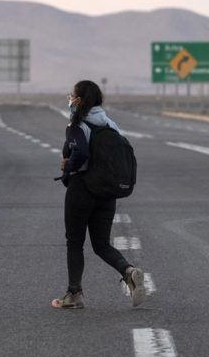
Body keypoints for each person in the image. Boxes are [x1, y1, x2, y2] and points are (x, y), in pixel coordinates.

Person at [52, 80, 145, 309]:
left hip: (82, 189)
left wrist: (69, 166)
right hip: (106, 192)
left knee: (75, 241)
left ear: (79, 100)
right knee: (102, 244)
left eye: (72, 96)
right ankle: (129, 271)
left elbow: (81, 153)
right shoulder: (110, 124)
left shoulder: (78, 124)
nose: (70, 100)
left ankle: (74, 293)